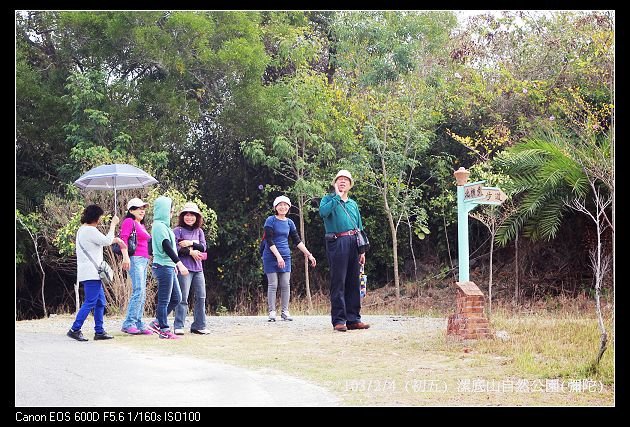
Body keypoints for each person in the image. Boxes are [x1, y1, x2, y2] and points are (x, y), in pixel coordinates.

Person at [319, 170, 370, 332]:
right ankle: (339, 320)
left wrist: (362, 251)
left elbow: (360, 227)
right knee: (338, 281)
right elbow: (323, 213)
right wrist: (336, 197)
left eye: (346, 180)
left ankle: (353, 319)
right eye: (340, 180)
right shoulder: (328, 199)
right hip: (337, 241)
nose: (342, 182)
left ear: (350, 185)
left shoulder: (353, 204)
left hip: (353, 242)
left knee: (354, 282)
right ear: (335, 183)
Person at [67, 204, 125, 341]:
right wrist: (113, 225)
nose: (100, 220)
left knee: (100, 302)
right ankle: (74, 329)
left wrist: (114, 239)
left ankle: (99, 331)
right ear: (96, 217)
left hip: (90, 272)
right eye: (100, 217)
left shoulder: (83, 230)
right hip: (91, 273)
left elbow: (102, 241)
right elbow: (105, 241)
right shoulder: (90, 230)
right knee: (90, 301)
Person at [262, 195, 316, 322]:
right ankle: (272, 312)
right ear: (275, 207)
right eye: (280, 205)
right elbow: (269, 240)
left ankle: (285, 311)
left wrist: (309, 254)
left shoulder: (290, 222)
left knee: (285, 284)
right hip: (271, 255)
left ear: (289, 207)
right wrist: (278, 256)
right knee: (273, 284)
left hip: (285, 256)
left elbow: (297, 241)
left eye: (285, 205)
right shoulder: (270, 220)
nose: (283, 207)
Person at [147, 196, 188, 339]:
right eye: (170, 211)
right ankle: (163, 329)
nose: (171, 214)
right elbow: (167, 246)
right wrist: (179, 263)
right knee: (164, 300)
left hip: (168, 266)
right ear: (164, 211)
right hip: (163, 266)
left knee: (177, 298)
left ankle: (158, 322)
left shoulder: (164, 226)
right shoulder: (158, 226)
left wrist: (174, 264)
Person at [173, 202, 210, 335]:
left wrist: (190, 243)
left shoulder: (199, 231)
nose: (189, 218)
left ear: (197, 217)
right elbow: (175, 249)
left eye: (192, 215)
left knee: (201, 297)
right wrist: (190, 252)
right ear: (182, 216)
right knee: (183, 297)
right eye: (186, 215)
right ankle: (178, 325)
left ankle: (199, 325)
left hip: (198, 268)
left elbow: (203, 247)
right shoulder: (177, 231)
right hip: (184, 268)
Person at [120, 198, 153, 335]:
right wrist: (126, 257)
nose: (142, 210)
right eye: (139, 208)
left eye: (143, 208)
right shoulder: (129, 221)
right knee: (138, 290)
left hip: (144, 260)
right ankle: (128, 323)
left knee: (142, 292)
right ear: (131, 210)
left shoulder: (141, 224)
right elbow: (123, 239)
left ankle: (139, 323)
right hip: (135, 259)